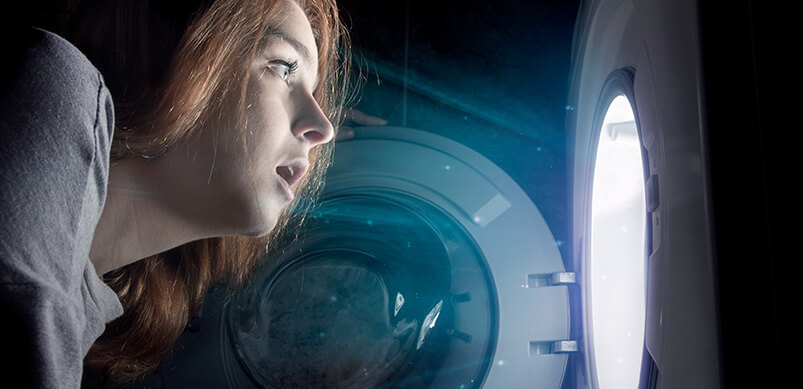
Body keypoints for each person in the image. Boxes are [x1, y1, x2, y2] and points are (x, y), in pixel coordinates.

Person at [0, 0, 385, 386]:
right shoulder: (58, 84)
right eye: (284, 68)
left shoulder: (84, 308)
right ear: (176, 55)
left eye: (314, 94)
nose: (324, 128)